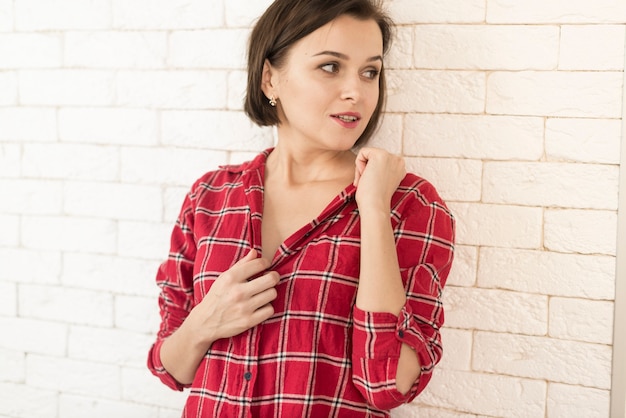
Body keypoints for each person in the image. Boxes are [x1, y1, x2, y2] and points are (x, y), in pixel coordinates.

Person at [147, 0, 455, 416]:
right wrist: (207, 320)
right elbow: (171, 368)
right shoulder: (211, 196)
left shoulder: (409, 204)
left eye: (370, 72)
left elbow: (386, 385)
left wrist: (374, 212)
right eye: (331, 66)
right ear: (270, 79)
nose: (356, 91)